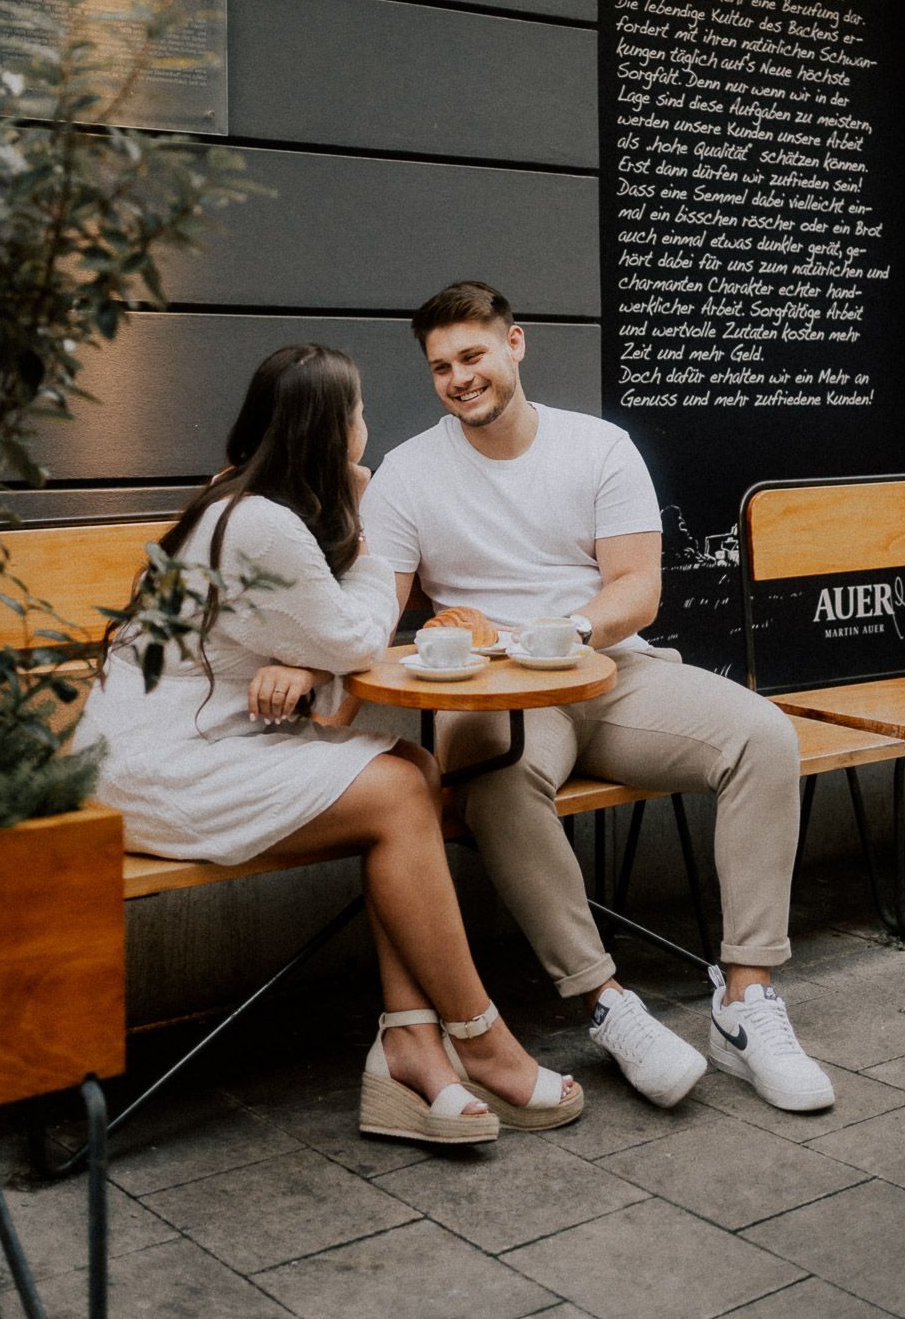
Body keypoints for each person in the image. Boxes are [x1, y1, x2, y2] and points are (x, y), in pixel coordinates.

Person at [72, 343, 582, 1145]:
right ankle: (477, 1038)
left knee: (411, 769)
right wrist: (367, 536)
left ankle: (413, 1046)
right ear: (327, 430)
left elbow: (318, 640)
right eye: (358, 414)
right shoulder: (261, 524)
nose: (366, 429)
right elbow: (353, 635)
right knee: (402, 789)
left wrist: (304, 659)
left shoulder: (239, 502)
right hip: (158, 767)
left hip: (185, 741)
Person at [357, 282, 835, 1115]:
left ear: (515, 344)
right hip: (497, 696)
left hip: (612, 673)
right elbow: (375, 609)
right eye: (441, 367)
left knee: (762, 735)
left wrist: (568, 631)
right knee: (497, 782)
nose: (460, 378)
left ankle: (745, 1001)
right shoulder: (407, 472)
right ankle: (607, 1003)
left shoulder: (597, 446)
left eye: (473, 355)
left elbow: (637, 590)